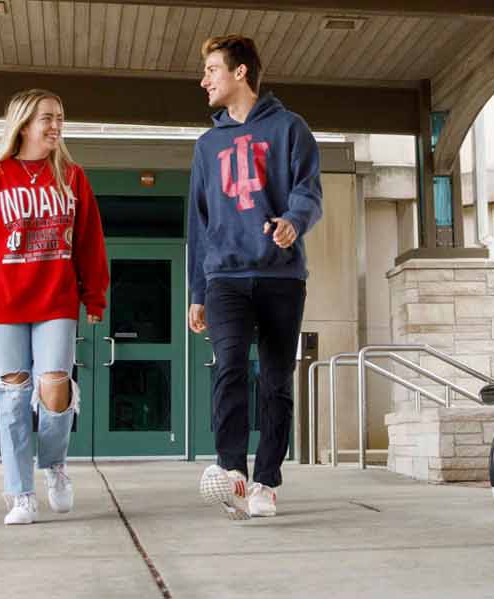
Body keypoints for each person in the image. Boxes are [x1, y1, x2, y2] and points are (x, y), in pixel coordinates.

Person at [0, 89, 109, 526]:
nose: (56, 126)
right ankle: (19, 493)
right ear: (23, 124)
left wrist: (94, 295)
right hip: (4, 305)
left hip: (56, 299)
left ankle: (54, 465)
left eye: (60, 118)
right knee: (13, 399)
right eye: (48, 119)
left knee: (55, 388)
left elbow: (91, 243)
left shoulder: (72, 178)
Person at [188, 34, 323, 520]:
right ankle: (231, 471)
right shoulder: (207, 146)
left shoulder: (290, 128)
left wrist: (293, 223)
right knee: (228, 367)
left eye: (212, 69)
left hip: (281, 276)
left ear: (240, 72)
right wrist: (197, 291)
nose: (204, 80)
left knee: (276, 380)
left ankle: (266, 480)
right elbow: (197, 223)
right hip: (225, 276)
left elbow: (308, 191)